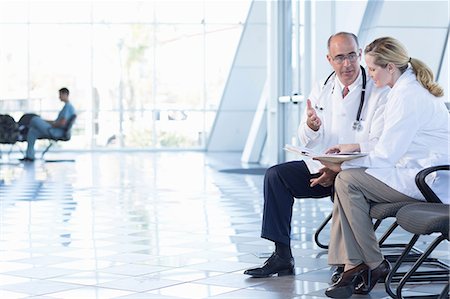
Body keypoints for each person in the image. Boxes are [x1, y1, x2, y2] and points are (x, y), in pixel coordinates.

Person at [243, 32, 389, 278]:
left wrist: (338, 169)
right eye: (340, 57)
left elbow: (378, 143)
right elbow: (306, 137)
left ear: (360, 54)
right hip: (322, 168)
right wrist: (311, 126)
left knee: (344, 184)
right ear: (329, 59)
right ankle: (282, 256)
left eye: (352, 56)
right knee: (276, 177)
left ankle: (348, 262)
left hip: (357, 171)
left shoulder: (378, 90)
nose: (347, 64)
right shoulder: (322, 86)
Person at [318, 37, 449, 298]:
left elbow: (386, 155)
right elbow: (390, 142)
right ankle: (358, 265)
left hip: (428, 181)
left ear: (390, 67)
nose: (370, 74)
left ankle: (367, 264)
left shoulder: (408, 96)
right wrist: (354, 148)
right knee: (346, 182)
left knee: (346, 180)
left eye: (373, 69)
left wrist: (340, 165)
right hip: (411, 171)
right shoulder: (403, 90)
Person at [20, 87, 76, 162]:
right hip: (54, 128)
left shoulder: (68, 107)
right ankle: (30, 156)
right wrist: (46, 122)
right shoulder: (67, 107)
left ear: (66, 94)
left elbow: (62, 123)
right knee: (32, 132)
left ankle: (22, 129)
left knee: (34, 119)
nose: (59, 97)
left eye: (60, 95)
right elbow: (58, 121)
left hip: (55, 131)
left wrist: (52, 125)